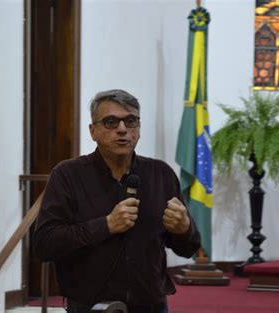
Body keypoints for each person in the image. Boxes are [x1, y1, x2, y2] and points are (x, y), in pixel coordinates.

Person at [33, 89, 201, 313]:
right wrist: (106, 225)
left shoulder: (161, 174)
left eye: (130, 121)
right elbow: (45, 245)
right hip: (90, 305)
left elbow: (188, 248)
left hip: (151, 304)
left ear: (138, 129)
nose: (122, 129)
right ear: (93, 131)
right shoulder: (68, 175)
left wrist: (185, 229)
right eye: (111, 122)